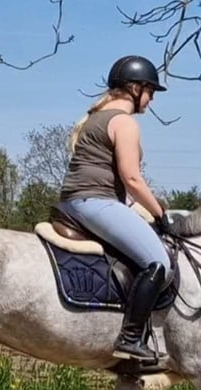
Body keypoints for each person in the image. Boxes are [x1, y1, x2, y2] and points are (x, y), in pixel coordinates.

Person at [56, 55, 173, 361]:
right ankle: (130, 338)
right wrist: (161, 214)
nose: (150, 99)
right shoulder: (124, 123)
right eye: (150, 91)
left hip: (77, 201)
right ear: (135, 88)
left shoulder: (95, 117)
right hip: (95, 201)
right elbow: (132, 179)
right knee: (159, 262)